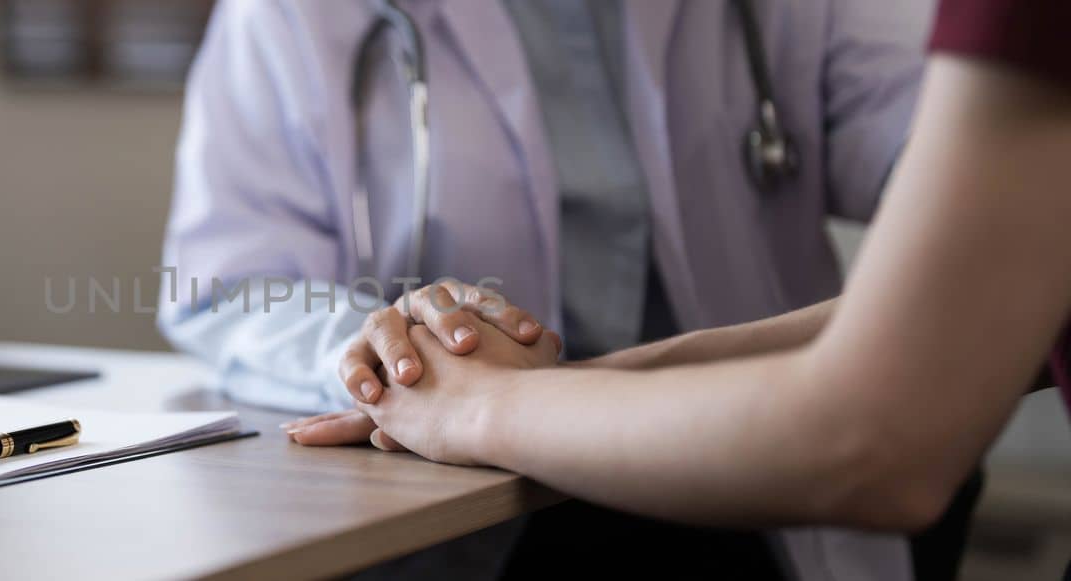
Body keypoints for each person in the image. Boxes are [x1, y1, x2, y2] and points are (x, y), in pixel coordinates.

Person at [161, 0, 936, 578]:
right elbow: (225, 283)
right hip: (469, 514)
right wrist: (393, 349)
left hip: (745, 485)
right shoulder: (288, 15)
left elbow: (964, 174)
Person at [320, 0, 1071, 575]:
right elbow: (986, 286)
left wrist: (482, 403)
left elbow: (877, 430)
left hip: (749, 481)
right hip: (522, 494)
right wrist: (526, 381)